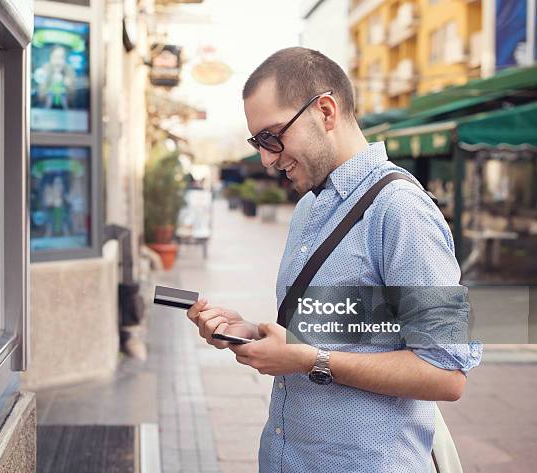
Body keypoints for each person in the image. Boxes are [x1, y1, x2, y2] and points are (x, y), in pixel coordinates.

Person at [186, 47, 481, 472]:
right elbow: (335, 332)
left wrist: (309, 360)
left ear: (325, 111)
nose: (267, 158)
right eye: (258, 143)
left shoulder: (401, 210)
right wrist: (252, 332)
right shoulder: (309, 206)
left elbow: (445, 374)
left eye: (273, 137)